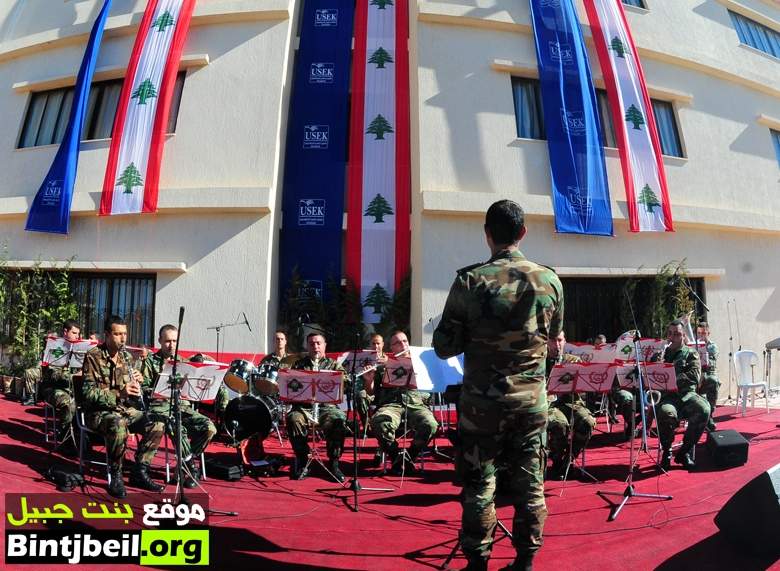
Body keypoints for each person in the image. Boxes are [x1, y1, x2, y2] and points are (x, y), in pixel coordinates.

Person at [433, 199, 563, 571]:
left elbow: (444, 347)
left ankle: (477, 563)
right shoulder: (550, 280)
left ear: (487, 234)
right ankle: (525, 561)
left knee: (479, 484)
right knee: (531, 484)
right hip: (531, 404)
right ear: (522, 233)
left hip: (482, 406)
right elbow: (556, 340)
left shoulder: (470, 281)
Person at [81, 315, 165, 498]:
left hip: (124, 410)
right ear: (107, 335)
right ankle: (115, 474)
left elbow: (132, 396)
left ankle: (140, 471)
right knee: (118, 424)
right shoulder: (93, 356)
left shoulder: (127, 356)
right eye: (118, 334)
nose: (123, 338)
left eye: (125, 334)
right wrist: (120, 393)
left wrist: (138, 384)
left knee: (156, 424)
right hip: (98, 413)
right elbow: (88, 394)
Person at [140, 325, 216, 488]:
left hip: (182, 406)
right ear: (160, 341)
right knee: (177, 426)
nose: (171, 345)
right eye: (167, 341)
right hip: (161, 408)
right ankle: (191, 468)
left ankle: (184, 463)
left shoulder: (184, 363)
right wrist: (156, 389)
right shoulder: (150, 362)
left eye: (175, 341)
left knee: (209, 428)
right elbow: (143, 389)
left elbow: (193, 387)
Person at [368, 331, 438, 475]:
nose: (403, 345)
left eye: (405, 341)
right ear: (391, 347)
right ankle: (395, 455)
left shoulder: (420, 363)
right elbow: (371, 392)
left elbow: (430, 388)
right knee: (379, 422)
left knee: (430, 425)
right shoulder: (382, 364)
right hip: (391, 405)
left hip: (416, 404)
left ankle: (410, 456)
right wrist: (369, 380)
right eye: (398, 343)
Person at [287, 333, 348, 482]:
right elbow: (290, 387)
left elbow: (345, 385)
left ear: (325, 345)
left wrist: (342, 379)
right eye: (312, 344)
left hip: (327, 407)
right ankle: (303, 460)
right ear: (307, 346)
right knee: (293, 418)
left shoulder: (334, 365)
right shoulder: (299, 365)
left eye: (318, 343)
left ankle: (334, 462)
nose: (315, 347)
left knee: (338, 420)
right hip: (304, 407)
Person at [657, 320, 710, 470]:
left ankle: (684, 451)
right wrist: (657, 361)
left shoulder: (691, 353)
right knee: (666, 413)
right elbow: (651, 375)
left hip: (687, 395)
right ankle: (667, 451)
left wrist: (671, 376)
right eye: (670, 333)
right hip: (668, 397)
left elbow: (694, 376)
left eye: (677, 334)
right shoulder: (661, 353)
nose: (673, 337)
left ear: (683, 336)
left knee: (704, 409)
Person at [545, 331, 596, 478]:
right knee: (559, 424)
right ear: (546, 342)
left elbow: (585, 388)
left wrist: (579, 370)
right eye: (553, 341)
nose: (557, 345)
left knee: (588, 422)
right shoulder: (539, 363)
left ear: (565, 341)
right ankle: (556, 460)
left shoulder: (573, 359)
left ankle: (569, 459)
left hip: (570, 402)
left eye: (560, 340)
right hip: (549, 404)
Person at [39, 319, 81, 443]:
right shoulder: (54, 347)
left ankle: (82, 436)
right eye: (74, 333)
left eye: (78, 333)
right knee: (68, 403)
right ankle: (66, 438)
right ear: (65, 332)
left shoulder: (79, 349)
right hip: (51, 388)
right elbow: (53, 375)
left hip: (70, 388)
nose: (77, 336)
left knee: (90, 400)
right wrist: (74, 376)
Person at [354, 333, 384, 433]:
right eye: (373, 343)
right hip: (369, 392)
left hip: (384, 393)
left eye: (378, 343)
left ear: (383, 344)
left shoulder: (388, 361)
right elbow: (361, 385)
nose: (376, 346)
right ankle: (366, 427)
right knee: (360, 395)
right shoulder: (363, 361)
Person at [696, 322, 719, 432]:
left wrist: (702, 348)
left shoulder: (712, 346)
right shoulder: (693, 345)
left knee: (713, 381)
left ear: (708, 333)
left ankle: (709, 416)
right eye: (699, 333)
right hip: (696, 374)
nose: (701, 335)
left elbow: (710, 363)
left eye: (704, 333)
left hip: (708, 374)